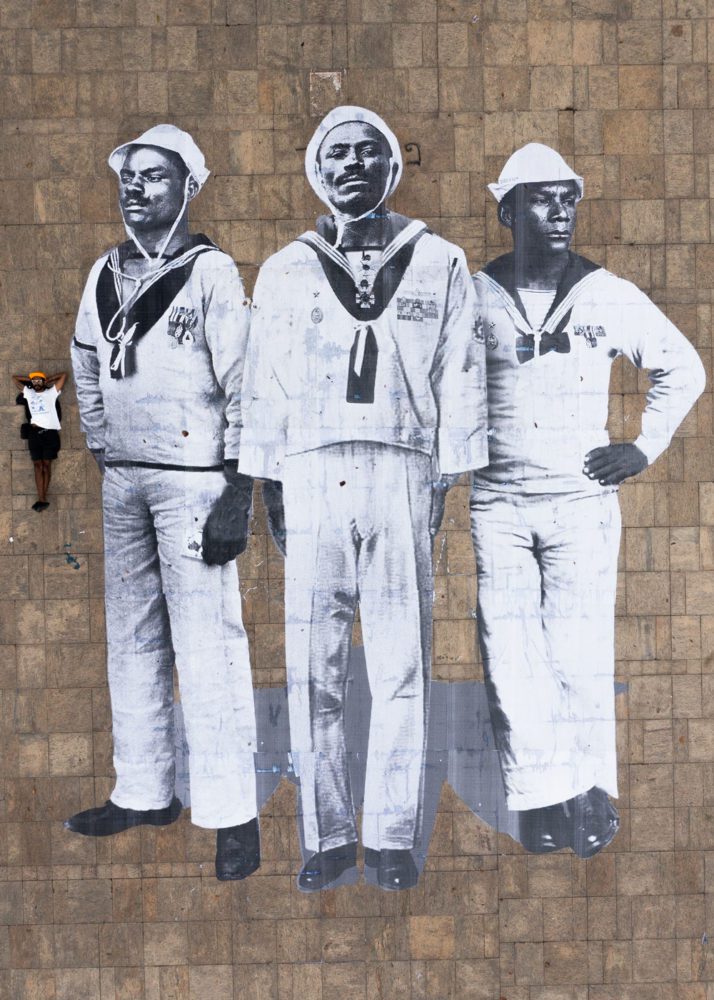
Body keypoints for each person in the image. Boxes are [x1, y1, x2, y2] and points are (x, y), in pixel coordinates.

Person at [211, 106, 487, 891]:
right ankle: (327, 837)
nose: (353, 164)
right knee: (314, 667)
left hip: (402, 465)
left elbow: (461, 371)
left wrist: (443, 478)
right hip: (310, 468)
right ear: (318, 170)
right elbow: (262, 384)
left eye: (369, 152)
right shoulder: (286, 269)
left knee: (402, 661)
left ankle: (392, 838)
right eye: (337, 154)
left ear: (392, 167)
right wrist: (267, 484)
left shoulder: (439, 259)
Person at [471, 143, 705, 857]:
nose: (560, 212)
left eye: (568, 199)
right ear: (508, 211)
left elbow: (683, 367)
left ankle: (590, 790)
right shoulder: (473, 293)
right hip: (499, 500)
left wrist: (644, 446)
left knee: (577, 649)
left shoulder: (606, 292)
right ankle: (539, 799)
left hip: (579, 498)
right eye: (542, 199)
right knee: (510, 655)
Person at [67, 124, 260, 882]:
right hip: (126, 478)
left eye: (154, 176)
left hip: (195, 479)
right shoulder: (103, 271)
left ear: (188, 188)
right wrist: (100, 440)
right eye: (129, 176)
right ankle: (144, 791)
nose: (136, 187)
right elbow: (87, 359)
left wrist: (237, 490)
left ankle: (233, 815)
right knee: (133, 640)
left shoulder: (210, 272)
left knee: (209, 647)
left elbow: (245, 381)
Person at [13, 370, 67, 510]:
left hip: (50, 433)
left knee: (46, 465)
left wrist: (49, 379)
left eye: (39, 381)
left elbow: (64, 375)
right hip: (34, 433)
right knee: (37, 465)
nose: (36, 383)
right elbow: (15, 378)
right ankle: (41, 498)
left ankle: (43, 498)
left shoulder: (51, 393)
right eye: (34, 381)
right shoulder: (29, 393)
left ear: (44, 382)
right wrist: (31, 380)